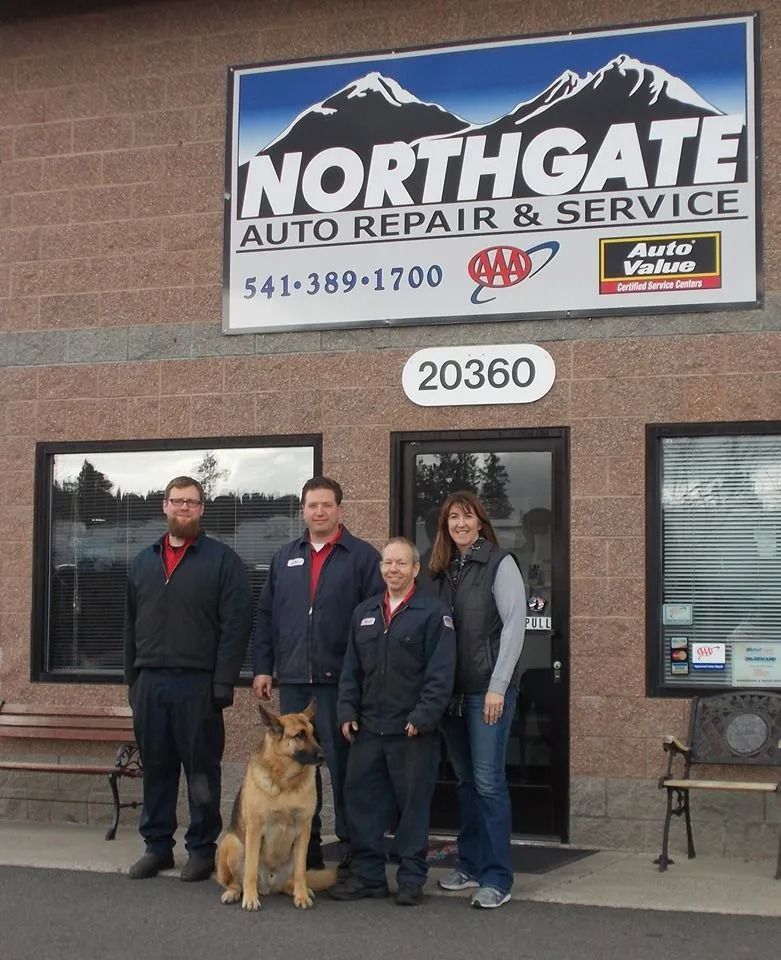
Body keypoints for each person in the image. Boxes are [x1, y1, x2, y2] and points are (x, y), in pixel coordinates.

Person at [251, 476, 384, 873]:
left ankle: (352, 850)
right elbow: (266, 616)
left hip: (341, 685)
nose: (319, 511)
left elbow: (377, 621)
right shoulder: (285, 557)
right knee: (299, 769)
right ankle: (306, 853)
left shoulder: (362, 557)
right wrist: (263, 668)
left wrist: (367, 676)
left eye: (327, 505)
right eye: (313, 505)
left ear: (340, 509)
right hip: (294, 683)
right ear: (303, 510)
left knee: (345, 770)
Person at [124, 476, 251, 882]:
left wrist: (223, 682)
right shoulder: (143, 561)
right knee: (156, 768)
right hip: (150, 683)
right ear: (164, 505)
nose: (184, 508)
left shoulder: (222, 561)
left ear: (201, 509)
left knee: (201, 770)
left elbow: (236, 626)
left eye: (192, 502)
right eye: (177, 501)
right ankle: (157, 847)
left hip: (198, 684)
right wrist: (133, 681)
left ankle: (201, 849)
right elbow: (130, 625)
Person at [328, 537, 456, 906]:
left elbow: (441, 673)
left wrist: (423, 716)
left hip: (411, 732)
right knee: (363, 806)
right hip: (368, 729)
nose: (393, 569)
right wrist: (346, 711)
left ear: (416, 569)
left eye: (401, 563)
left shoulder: (433, 613)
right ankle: (368, 877)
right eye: (388, 563)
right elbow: (350, 670)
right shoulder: (364, 612)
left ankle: (412, 879)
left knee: (412, 809)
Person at [423, 490, 526, 909]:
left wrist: (498, 686)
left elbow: (515, 625)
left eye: (467, 517)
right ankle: (469, 864)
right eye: (453, 518)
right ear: (445, 525)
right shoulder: (440, 568)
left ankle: (498, 877)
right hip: (453, 694)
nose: (460, 524)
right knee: (466, 782)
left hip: (488, 692)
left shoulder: (500, 563)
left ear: (481, 522)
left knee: (487, 782)